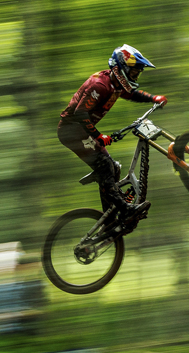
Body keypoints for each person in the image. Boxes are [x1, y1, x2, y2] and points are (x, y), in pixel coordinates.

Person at [58, 44, 167, 221]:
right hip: (71, 131)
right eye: (134, 72)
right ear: (121, 68)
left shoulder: (115, 83)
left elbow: (132, 94)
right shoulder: (100, 85)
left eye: (137, 73)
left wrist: (153, 98)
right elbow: (80, 113)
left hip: (81, 131)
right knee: (106, 166)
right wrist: (99, 136)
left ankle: (110, 217)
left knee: (113, 168)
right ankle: (124, 209)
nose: (136, 76)